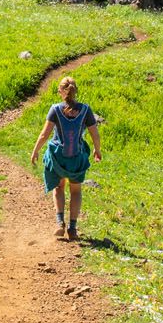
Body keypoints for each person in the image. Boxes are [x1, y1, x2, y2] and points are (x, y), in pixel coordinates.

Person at [29, 75, 102, 240]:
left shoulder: (55, 109)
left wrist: (35, 151)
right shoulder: (85, 110)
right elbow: (94, 134)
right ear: (75, 91)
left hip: (58, 157)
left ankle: (60, 223)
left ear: (61, 91)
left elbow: (44, 134)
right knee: (75, 191)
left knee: (59, 188)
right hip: (76, 158)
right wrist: (97, 150)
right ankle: (73, 229)